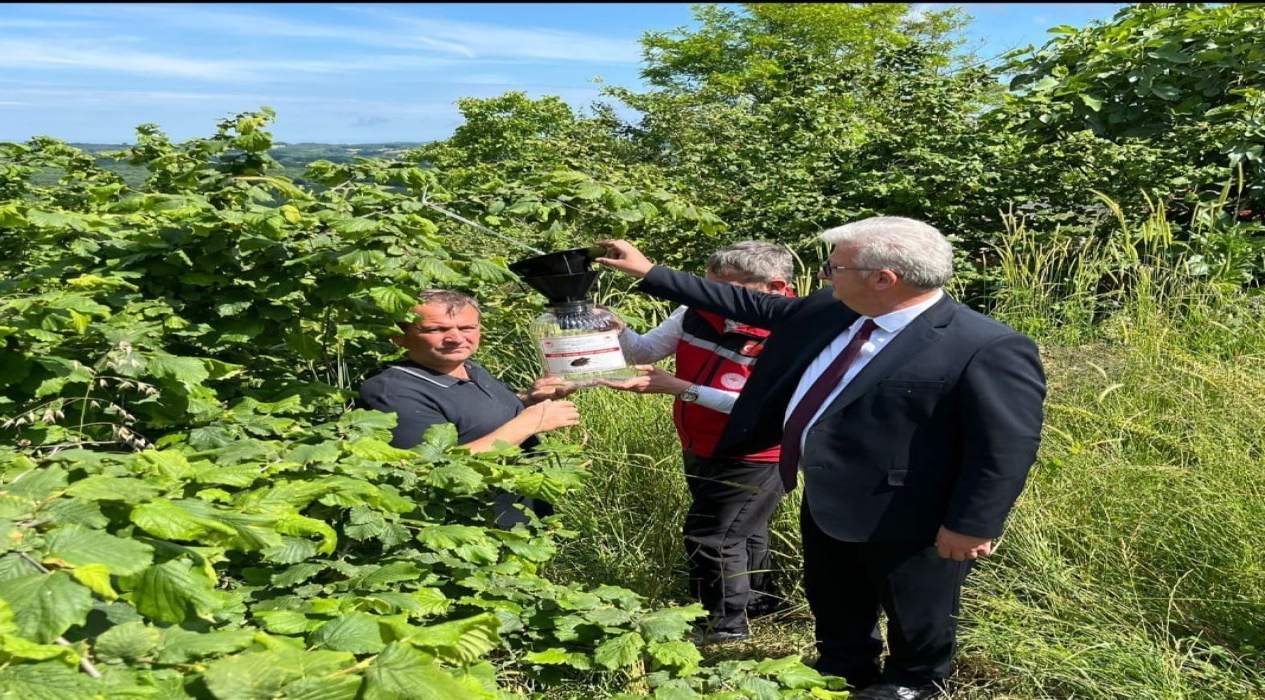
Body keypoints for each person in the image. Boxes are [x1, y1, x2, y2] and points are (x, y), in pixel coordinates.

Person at [596, 217, 1046, 700]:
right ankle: (843, 668)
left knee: (917, 607)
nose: (825, 276)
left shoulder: (984, 345)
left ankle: (913, 682)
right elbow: (745, 301)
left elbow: (1005, 445)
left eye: (835, 266)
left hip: (914, 511)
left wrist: (974, 523)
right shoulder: (833, 312)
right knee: (834, 596)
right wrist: (648, 272)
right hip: (830, 493)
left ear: (883, 278)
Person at [600, 241, 794, 644]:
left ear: (774, 287)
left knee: (712, 535)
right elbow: (645, 351)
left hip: (757, 451)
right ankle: (760, 603)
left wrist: (681, 388)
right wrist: (618, 331)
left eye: (727, 290)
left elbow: (767, 411)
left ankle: (721, 626)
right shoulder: (693, 311)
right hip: (701, 442)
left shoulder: (796, 332)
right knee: (746, 529)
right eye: (709, 287)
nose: (713, 298)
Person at [357, 289, 580, 526]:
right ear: (398, 336)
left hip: (523, 522)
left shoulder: (469, 368)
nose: (455, 338)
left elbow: (473, 417)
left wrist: (528, 399)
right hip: (473, 530)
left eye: (466, 328)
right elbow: (431, 470)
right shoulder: (393, 392)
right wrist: (529, 422)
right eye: (436, 329)